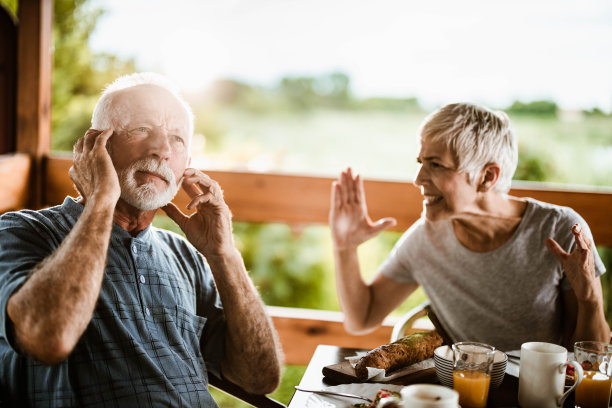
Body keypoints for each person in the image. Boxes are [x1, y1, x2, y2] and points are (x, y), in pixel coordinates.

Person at [0, 73, 282, 406]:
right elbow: (50, 338)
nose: (162, 150)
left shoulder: (184, 255)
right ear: (95, 146)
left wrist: (224, 255)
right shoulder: (21, 231)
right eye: (142, 129)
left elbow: (260, 377)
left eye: (177, 138)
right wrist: (101, 200)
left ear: (186, 166)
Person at [329, 102, 609, 351]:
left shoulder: (561, 230)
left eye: (436, 165)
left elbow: (588, 358)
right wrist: (345, 248)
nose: (418, 179)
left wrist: (590, 300)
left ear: (487, 177)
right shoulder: (424, 240)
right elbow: (361, 318)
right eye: (421, 162)